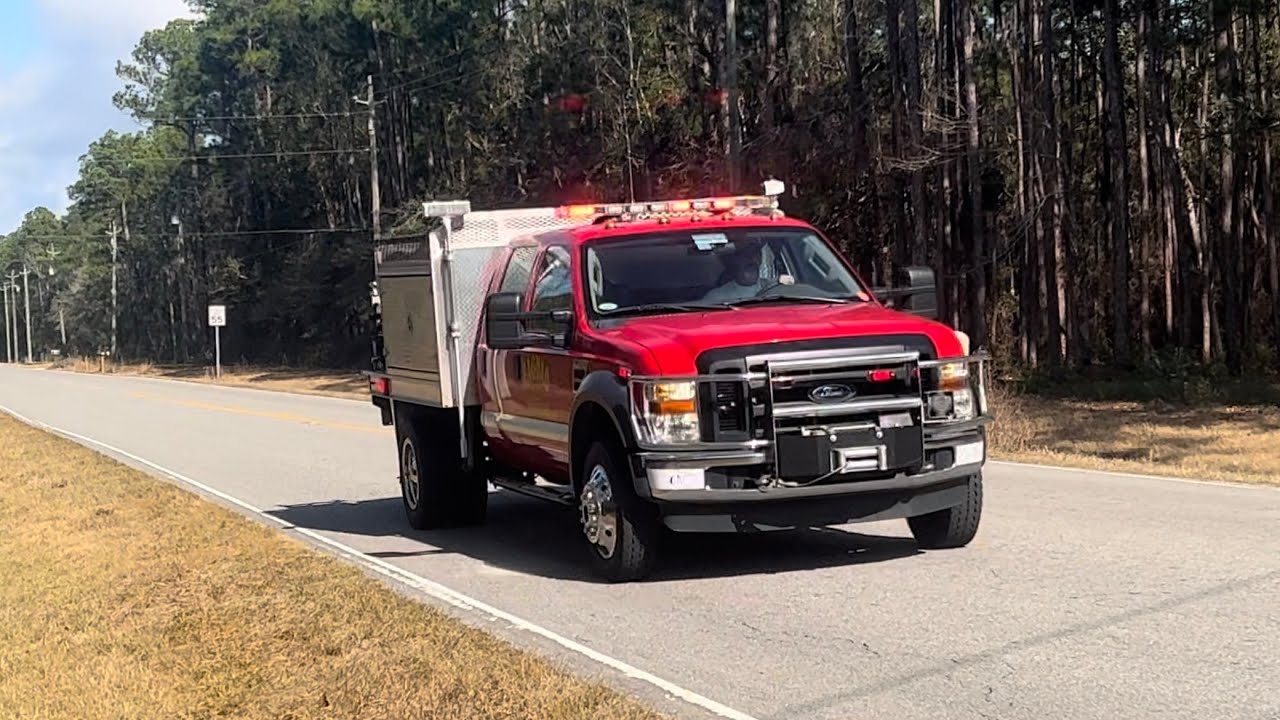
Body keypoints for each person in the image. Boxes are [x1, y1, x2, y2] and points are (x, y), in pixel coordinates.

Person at [702, 239, 765, 303]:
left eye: (756, 253)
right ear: (734, 261)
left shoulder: (772, 289)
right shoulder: (716, 297)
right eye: (747, 255)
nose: (754, 259)